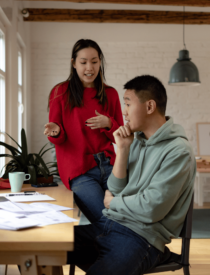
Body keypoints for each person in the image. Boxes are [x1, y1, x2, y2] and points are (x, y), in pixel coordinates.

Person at [67, 75, 196, 275]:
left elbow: (152, 208)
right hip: (108, 224)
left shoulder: (178, 151)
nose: (124, 112)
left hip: (140, 237)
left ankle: (159, 254)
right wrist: (124, 149)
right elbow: (115, 188)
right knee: (43, 247)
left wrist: (113, 203)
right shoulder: (137, 141)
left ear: (150, 106)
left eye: (127, 104)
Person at [44, 39, 124, 224]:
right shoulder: (60, 92)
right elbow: (57, 135)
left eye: (94, 61)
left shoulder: (110, 94)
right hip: (79, 170)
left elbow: (121, 137)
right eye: (83, 62)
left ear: (100, 62)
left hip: (110, 166)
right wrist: (55, 132)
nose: (90, 67)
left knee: (125, 216)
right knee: (106, 219)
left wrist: (108, 123)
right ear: (74, 63)